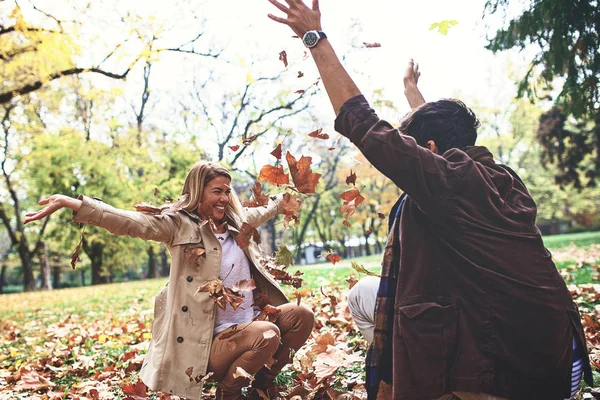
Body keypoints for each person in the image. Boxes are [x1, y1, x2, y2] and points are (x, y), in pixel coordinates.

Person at [266, 1, 592, 400]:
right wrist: (414, 96)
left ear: (431, 149)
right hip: (555, 356)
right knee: (369, 294)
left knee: (373, 302)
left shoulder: (450, 181)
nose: (412, 160)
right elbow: (440, 149)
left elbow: (364, 124)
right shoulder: (494, 177)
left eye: (416, 148)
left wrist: (314, 38)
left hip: (505, 372)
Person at [25, 161, 314, 400]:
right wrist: (74, 203)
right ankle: (229, 392)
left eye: (227, 191)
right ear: (198, 193)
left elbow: (265, 209)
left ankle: (262, 384)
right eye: (217, 191)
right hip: (211, 341)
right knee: (267, 333)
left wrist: (285, 198)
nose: (224, 198)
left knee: (302, 315)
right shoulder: (177, 226)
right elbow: (129, 222)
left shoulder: (238, 222)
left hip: (251, 320)